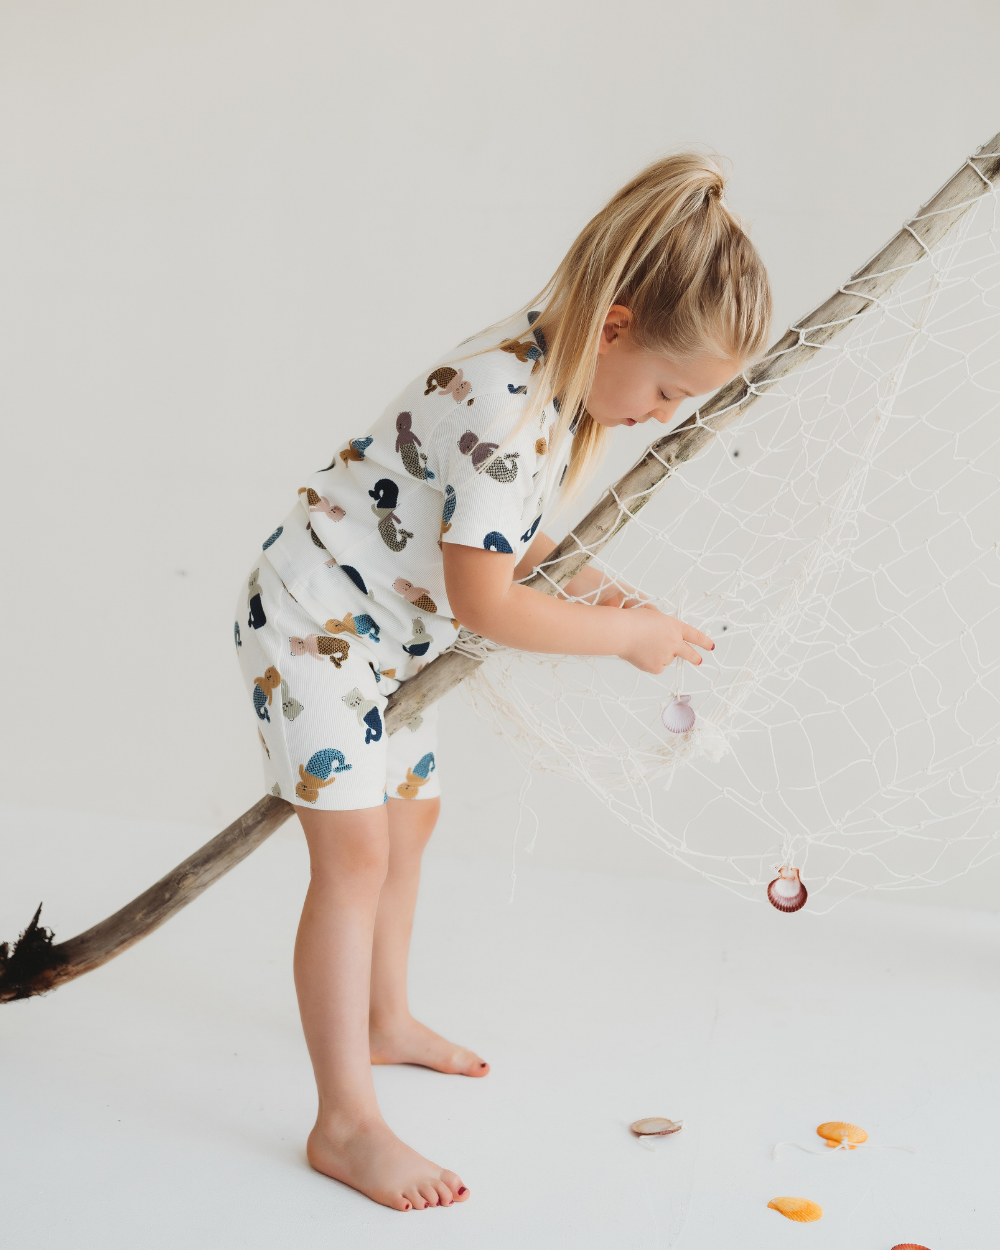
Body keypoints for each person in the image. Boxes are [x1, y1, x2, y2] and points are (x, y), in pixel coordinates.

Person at [234, 151, 772, 1212]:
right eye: (667, 389)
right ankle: (342, 1120)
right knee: (353, 855)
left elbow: (507, 538)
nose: (662, 414)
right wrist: (619, 638)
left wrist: (601, 586)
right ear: (616, 326)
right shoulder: (506, 400)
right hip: (315, 622)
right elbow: (487, 602)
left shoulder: (557, 368)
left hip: (386, 638)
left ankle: (383, 1016)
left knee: (412, 819)